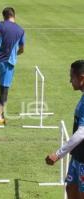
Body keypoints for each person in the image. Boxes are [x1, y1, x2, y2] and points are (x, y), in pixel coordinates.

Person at [45, 60, 84, 199]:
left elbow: (82, 133)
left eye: (72, 76)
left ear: (81, 77)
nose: (70, 81)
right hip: (77, 156)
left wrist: (58, 154)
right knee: (70, 188)